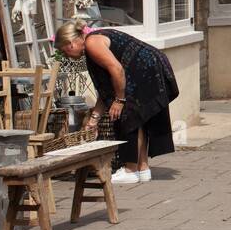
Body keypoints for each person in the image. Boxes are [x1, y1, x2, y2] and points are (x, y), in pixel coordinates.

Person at [54, 20, 177, 185]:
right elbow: (107, 90)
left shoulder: (92, 43)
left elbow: (117, 70)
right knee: (138, 118)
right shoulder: (91, 44)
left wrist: (119, 100)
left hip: (146, 69)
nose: (66, 55)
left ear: (70, 44)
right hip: (150, 67)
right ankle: (142, 168)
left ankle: (130, 170)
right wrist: (93, 120)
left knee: (128, 115)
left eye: (64, 51)